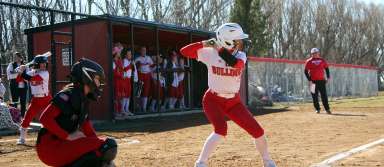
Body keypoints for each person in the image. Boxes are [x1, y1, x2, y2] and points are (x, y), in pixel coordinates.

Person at [180, 23, 277, 167]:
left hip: (233, 101)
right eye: (238, 40)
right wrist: (204, 43)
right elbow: (184, 52)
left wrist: (219, 49)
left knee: (258, 131)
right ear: (228, 41)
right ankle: (201, 163)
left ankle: (267, 160)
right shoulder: (209, 52)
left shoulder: (241, 56)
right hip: (213, 100)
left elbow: (235, 65)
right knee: (220, 130)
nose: (241, 43)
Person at [36, 58, 117, 167]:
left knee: (103, 148)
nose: (99, 83)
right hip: (51, 147)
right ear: (87, 76)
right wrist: (67, 136)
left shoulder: (82, 98)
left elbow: (88, 130)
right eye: (97, 78)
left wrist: (100, 148)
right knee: (109, 146)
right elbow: (45, 118)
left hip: (60, 145)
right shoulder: (68, 95)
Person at [16, 53, 52, 145]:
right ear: (37, 64)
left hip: (46, 99)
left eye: (45, 63)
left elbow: (31, 79)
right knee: (27, 118)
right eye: (42, 63)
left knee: (50, 118)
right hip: (35, 100)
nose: (44, 65)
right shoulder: (32, 71)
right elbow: (19, 80)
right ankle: (22, 139)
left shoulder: (45, 73)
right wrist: (20, 70)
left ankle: (52, 137)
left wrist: (22, 72)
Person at [304, 48, 331, 114]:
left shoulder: (322, 60)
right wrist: (309, 80)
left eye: (316, 53)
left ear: (318, 53)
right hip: (313, 81)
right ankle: (317, 109)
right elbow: (305, 71)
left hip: (322, 81)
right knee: (314, 96)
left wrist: (328, 77)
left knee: (324, 95)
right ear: (312, 54)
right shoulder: (309, 61)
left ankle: (327, 109)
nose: (315, 54)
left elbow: (326, 68)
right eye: (313, 53)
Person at [6, 52, 27, 116]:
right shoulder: (11, 65)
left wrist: (22, 74)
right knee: (15, 103)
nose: (15, 58)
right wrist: (18, 72)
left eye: (16, 57)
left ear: (20, 57)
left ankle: (23, 117)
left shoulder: (25, 65)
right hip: (14, 86)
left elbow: (28, 75)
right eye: (14, 57)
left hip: (23, 87)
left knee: (23, 103)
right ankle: (15, 117)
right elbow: (9, 76)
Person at [135, 46, 154, 112]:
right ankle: (139, 107)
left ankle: (144, 108)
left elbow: (152, 66)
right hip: (140, 75)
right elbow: (134, 67)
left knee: (146, 91)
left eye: (145, 50)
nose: (144, 51)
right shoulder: (137, 58)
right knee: (139, 91)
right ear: (140, 51)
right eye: (142, 50)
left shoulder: (149, 58)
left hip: (147, 75)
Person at [121, 48, 137, 116]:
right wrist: (131, 65)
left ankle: (127, 109)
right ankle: (122, 109)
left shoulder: (131, 62)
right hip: (125, 79)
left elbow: (133, 70)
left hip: (129, 79)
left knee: (128, 95)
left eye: (130, 54)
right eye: (128, 54)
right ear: (125, 55)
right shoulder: (124, 61)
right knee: (124, 95)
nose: (130, 55)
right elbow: (123, 69)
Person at [112, 50, 125, 120]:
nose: (120, 53)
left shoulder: (120, 60)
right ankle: (116, 111)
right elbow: (114, 73)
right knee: (116, 96)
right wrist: (119, 74)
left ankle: (121, 110)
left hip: (121, 80)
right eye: (119, 52)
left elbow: (122, 70)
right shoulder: (113, 62)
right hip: (116, 80)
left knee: (121, 96)